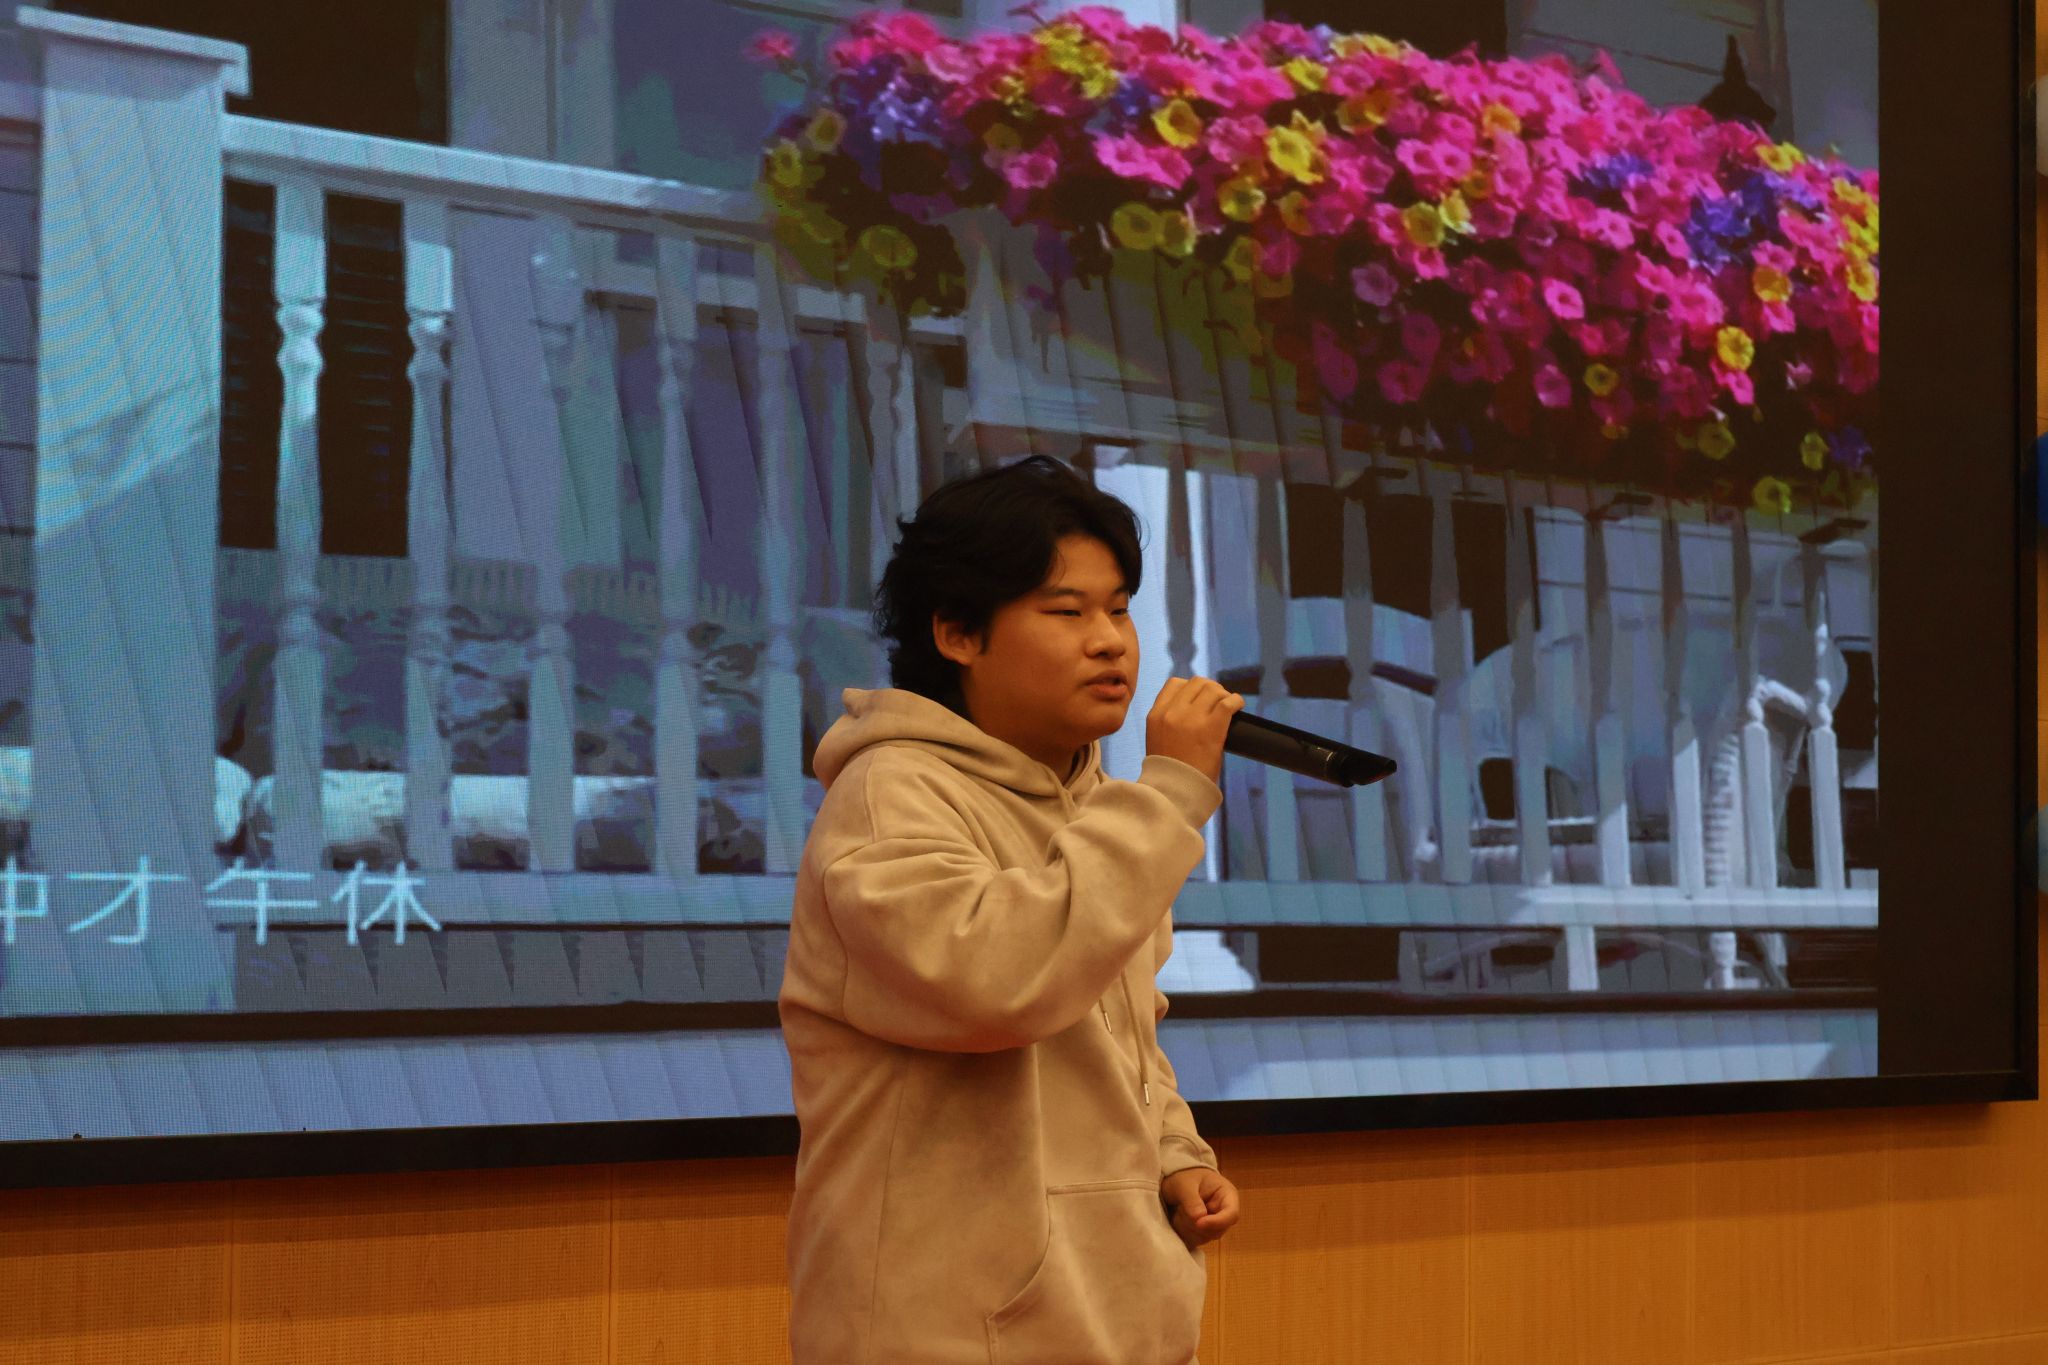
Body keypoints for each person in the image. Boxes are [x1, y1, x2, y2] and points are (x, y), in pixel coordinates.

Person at [779, 454, 1243, 1364]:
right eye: (1068, 612)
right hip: (948, 1332)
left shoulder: (1095, 803)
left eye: (1119, 609)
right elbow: (1002, 981)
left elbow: (1122, 1031)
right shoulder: (891, 793)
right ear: (957, 632)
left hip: (1116, 1317)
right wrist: (1168, 796)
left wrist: (1173, 1151)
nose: (1111, 642)